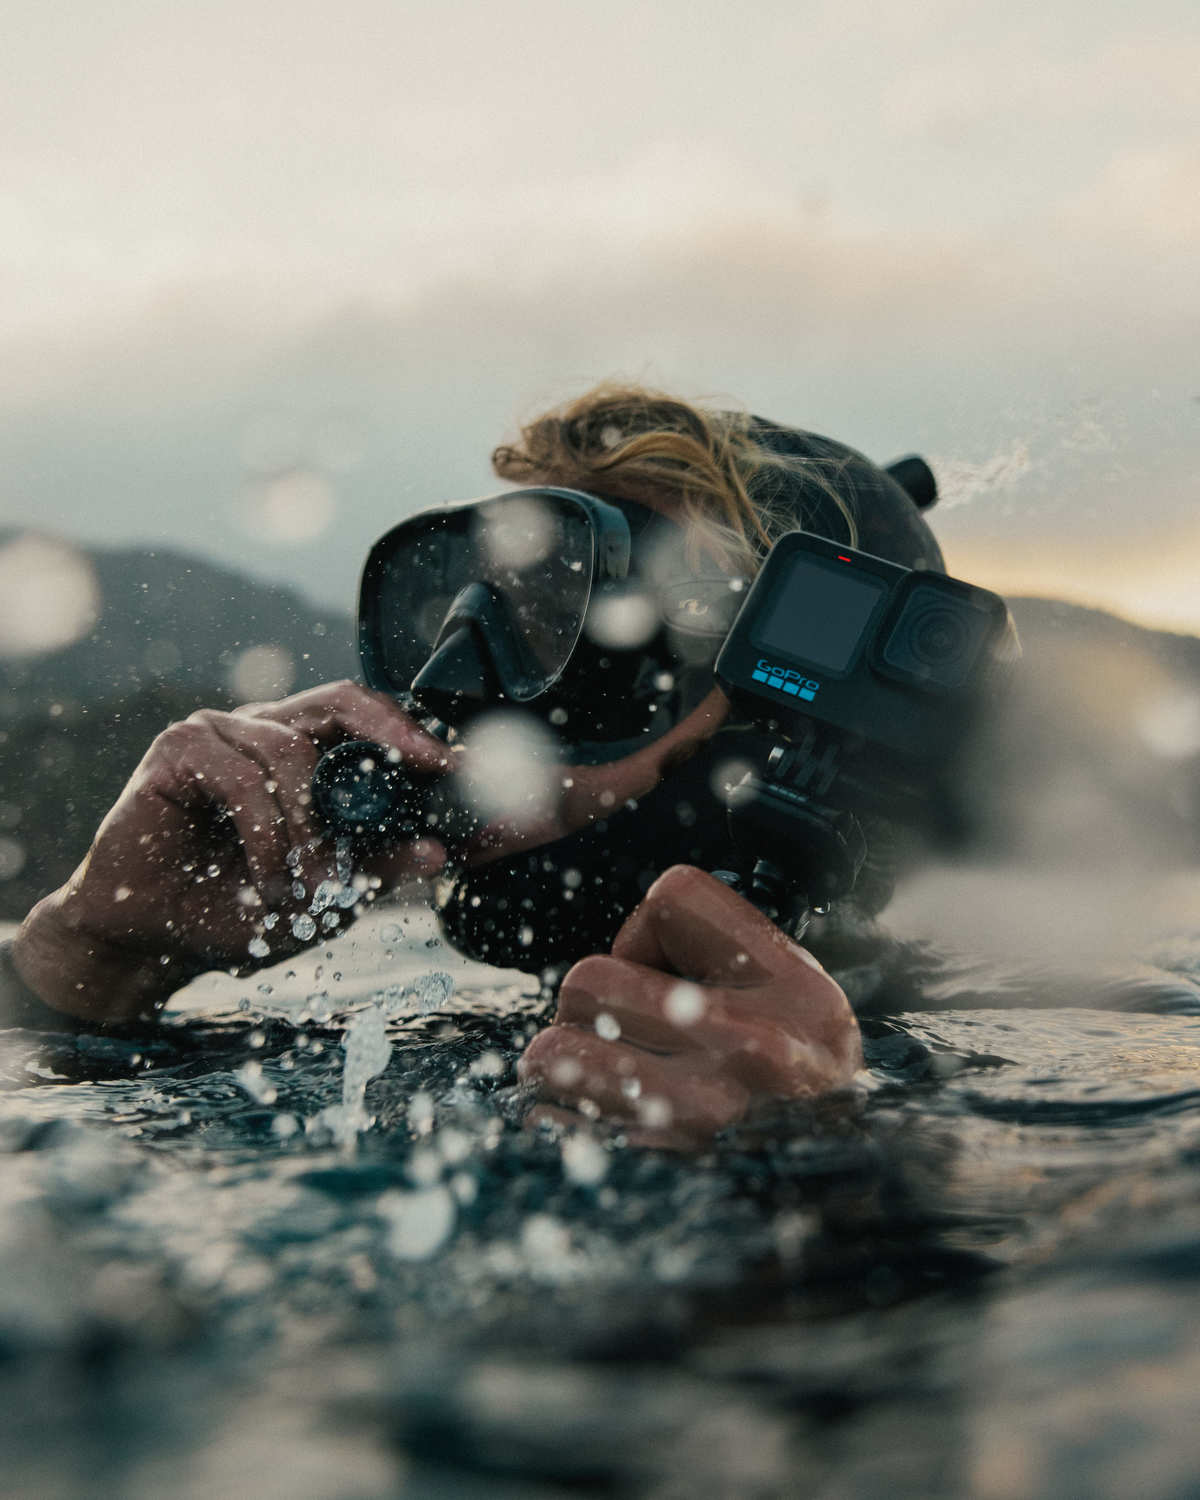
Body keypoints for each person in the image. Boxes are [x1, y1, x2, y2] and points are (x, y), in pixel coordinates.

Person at [1, 385, 948, 1149]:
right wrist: (90, 954)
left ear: (796, 735)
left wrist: (817, 1155)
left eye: (590, 646)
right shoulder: (424, 1057)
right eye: (468, 619)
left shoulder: (948, 1084)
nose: (462, 698)